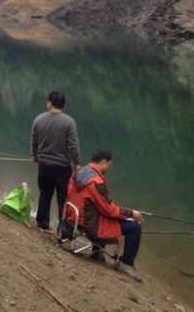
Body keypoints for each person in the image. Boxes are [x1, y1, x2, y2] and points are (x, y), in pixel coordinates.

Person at [64, 150, 144, 281]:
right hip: (89, 223)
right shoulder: (96, 181)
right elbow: (109, 210)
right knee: (134, 226)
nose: (108, 168)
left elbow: (93, 201)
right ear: (103, 162)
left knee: (102, 213)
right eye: (108, 165)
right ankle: (126, 263)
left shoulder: (81, 171)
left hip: (74, 217)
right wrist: (132, 213)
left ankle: (98, 252)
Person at [31, 91, 81, 232]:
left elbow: (34, 140)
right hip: (62, 168)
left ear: (50, 102)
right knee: (63, 198)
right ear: (63, 104)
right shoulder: (69, 122)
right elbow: (73, 145)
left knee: (45, 193)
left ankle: (42, 223)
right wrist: (77, 163)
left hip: (44, 165)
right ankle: (62, 228)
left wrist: (34, 156)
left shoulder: (39, 119)